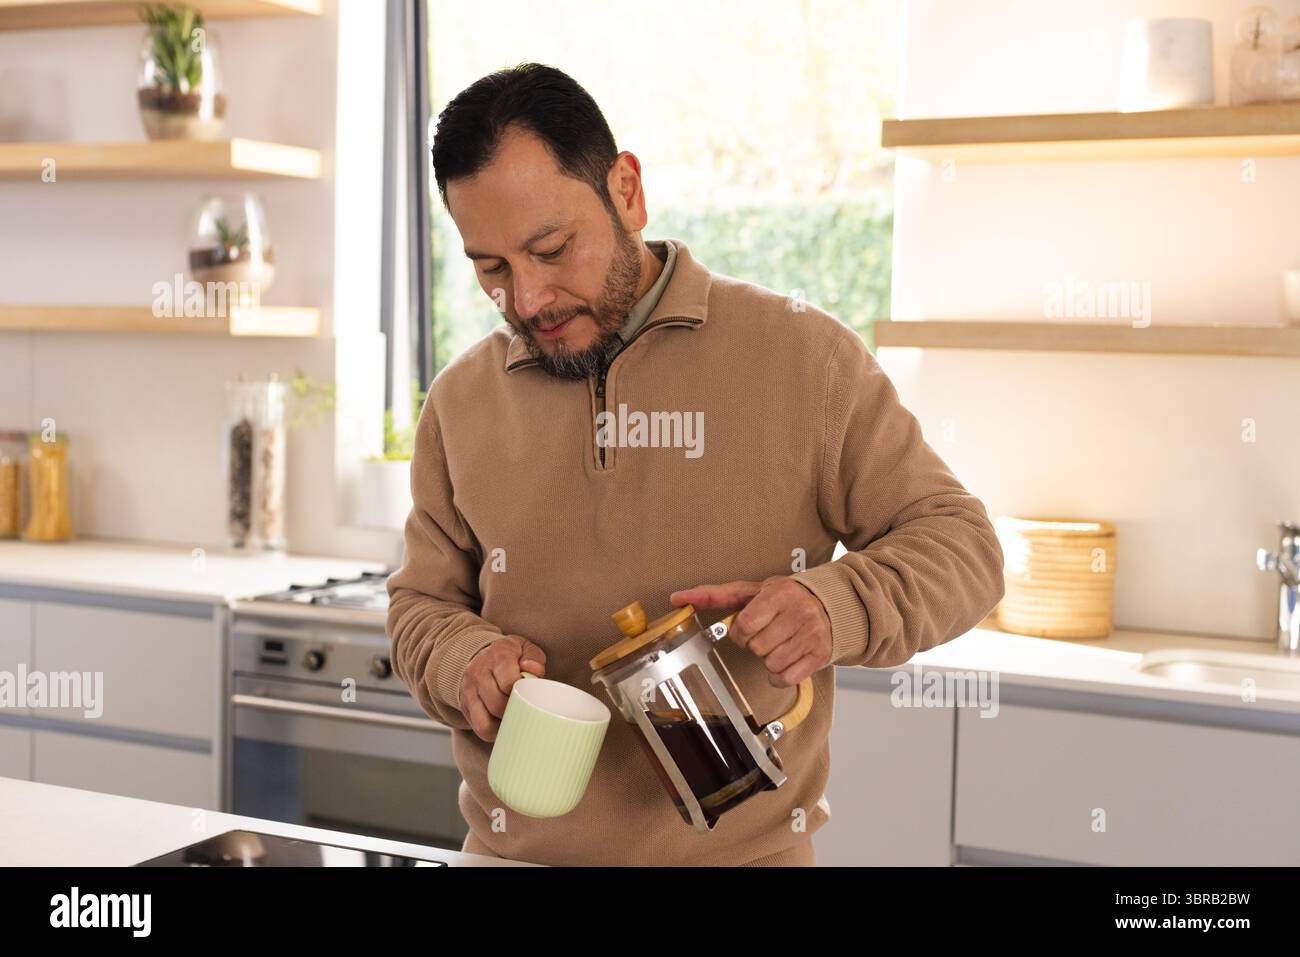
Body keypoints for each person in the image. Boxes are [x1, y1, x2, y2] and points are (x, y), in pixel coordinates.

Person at [387, 62, 1005, 867]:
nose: (528, 299)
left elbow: (965, 547)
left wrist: (835, 604)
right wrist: (462, 659)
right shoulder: (460, 402)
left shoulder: (802, 358)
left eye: (552, 248)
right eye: (492, 268)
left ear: (627, 190)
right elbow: (421, 605)